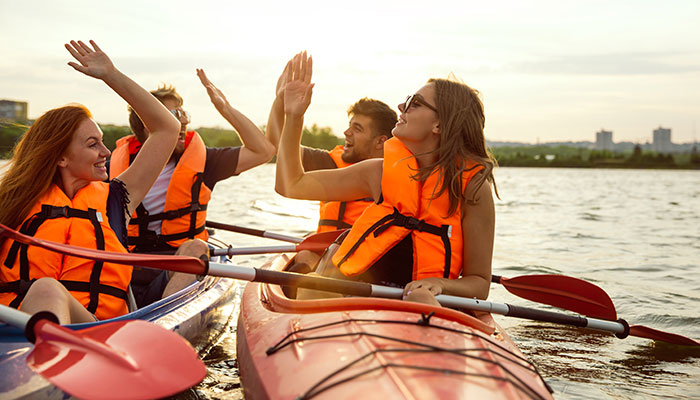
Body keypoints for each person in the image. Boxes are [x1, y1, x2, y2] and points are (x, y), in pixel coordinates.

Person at [275, 54, 498, 305]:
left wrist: (439, 284)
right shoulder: (378, 172)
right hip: (346, 295)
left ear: (439, 125)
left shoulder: (473, 189)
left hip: (418, 301)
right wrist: (294, 116)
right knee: (315, 283)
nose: (401, 107)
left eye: (415, 102)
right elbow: (290, 185)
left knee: (421, 299)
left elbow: (479, 283)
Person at [0, 40, 181, 324]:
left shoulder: (116, 199)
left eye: (103, 142)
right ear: (61, 157)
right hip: (17, 337)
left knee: (48, 289)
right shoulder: (11, 201)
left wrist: (111, 75)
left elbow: (166, 128)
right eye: (92, 144)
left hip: (97, 332)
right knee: (46, 290)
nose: (106, 153)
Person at [109, 69, 276, 307]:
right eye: (173, 114)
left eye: (184, 113)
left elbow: (264, 151)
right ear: (148, 122)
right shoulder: (112, 168)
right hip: (125, 264)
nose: (184, 120)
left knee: (197, 246)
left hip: (179, 264)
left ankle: (163, 322)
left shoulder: (205, 162)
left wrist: (225, 108)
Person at [267, 53, 397, 269]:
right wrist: (281, 103)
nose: (346, 133)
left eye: (357, 129)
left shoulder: (398, 176)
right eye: (350, 125)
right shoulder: (330, 163)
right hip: (327, 255)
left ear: (380, 141)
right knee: (307, 255)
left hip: (370, 265)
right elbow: (278, 144)